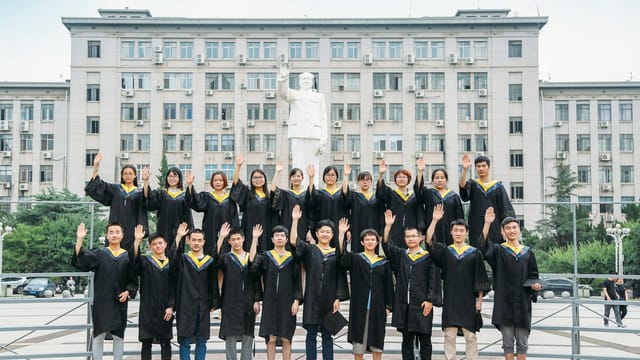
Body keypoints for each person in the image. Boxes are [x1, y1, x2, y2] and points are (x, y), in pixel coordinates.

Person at [426, 204, 490, 360]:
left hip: (469, 300)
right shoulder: (446, 251)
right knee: (449, 336)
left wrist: (479, 301)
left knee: (470, 337)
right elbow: (428, 241)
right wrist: (434, 220)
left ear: (466, 233)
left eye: (462, 230)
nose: (459, 233)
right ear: (451, 232)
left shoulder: (474, 253)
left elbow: (480, 278)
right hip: (451, 301)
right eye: (456, 230)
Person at [481, 207, 541, 360]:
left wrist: (535, 286)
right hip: (504, 303)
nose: (512, 230)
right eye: (508, 228)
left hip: (522, 302)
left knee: (522, 343)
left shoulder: (528, 252)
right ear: (503, 232)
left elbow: (534, 275)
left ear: (519, 230)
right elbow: (483, 248)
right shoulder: (498, 251)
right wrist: (487, 223)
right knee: (507, 342)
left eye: (514, 227)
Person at [290, 205, 349, 360]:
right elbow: (294, 241)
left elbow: (340, 275)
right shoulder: (310, 250)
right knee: (311, 334)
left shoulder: (336, 253)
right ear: (316, 233)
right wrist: (295, 220)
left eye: (328, 232)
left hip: (329, 298)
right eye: (322, 231)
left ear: (332, 235)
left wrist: (337, 297)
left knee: (327, 335)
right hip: (312, 297)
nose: (324, 234)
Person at [72, 223, 138, 360]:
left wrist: (128, 292)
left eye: (117, 232)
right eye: (111, 232)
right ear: (107, 235)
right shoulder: (99, 254)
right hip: (102, 301)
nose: (114, 235)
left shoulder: (127, 256)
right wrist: (80, 239)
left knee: (119, 337)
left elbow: (133, 280)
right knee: (98, 336)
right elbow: (80, 261)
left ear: (122, 235)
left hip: (120, 301)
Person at [382, 210, 438, 360]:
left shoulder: (428, 257)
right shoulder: (401, 255)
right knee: (406, 341)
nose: (411, 238)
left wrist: (430, 300)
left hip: (422, 305)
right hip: (405, 306)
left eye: (414, 236)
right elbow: (386, 245)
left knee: (425, 341)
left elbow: (433, 280)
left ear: (421, 238)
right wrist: (388, 226)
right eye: (408, 236)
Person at [338, 219, 394, 360]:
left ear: (377, 242)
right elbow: (341, 257)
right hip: (359, 306)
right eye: (366, 240)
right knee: (359, 344)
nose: (370, 242)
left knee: (377, 343)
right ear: (362, 242)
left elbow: (388, 285)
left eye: (372, 239)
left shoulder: (383, 262)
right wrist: (341, 234)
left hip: (378, 306)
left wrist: (388, 306)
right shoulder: (356, 259)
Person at [250, 224, 303, 360]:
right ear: (272, 239)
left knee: (286, 337)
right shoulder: (266, 257)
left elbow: (298, 281)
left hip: (288, 302)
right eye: (276, 236)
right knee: (271, 338)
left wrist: (296, 300)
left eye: (282, 236)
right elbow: (252, 266)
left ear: (286, 239)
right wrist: (255, 239)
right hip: (270, 301)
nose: (279, 238)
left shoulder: (292, 258)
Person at [173, 223, 220, 360]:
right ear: (188, 241)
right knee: (185, 340)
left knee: (201, 340)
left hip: (202, 306)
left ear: (204, 242)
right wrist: (178, 237)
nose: (196, 243)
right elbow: (172, 260)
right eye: (193, 240)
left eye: (199, 240)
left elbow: (213, 283)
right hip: (185, 306)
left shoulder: (208, 262)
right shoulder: (183, 259)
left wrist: (213, 301)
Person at [85, 152, 148, 252]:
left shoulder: (140, 192)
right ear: (122, 176)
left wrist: (145, 181)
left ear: (135, 175)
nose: (128, 176)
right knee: (111, 253)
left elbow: (147, 200)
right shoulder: (115, 189)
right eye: (125, 174)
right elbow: (97, 185)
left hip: (131, 231)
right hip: (115, 229)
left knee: (130, 255)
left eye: (130, 173)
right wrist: (96, 166)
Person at [216, 223, 261, 360]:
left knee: (248, 335)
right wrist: (221, 238)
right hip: (230, 302)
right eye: (233, 239)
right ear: (229, 241)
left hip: (248, 302)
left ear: (243, 239)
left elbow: (255, 275)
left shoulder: (250, 256)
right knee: (230, 337)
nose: (236, 242)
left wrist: (257, 300)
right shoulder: (226, 258)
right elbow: (215, 260)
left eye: (238, 239)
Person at [277, 64, 327, 187]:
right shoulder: (294, 95)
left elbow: (323, 118)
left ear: (312, 82)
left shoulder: (319, 97)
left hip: (314, 135)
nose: (306, 81)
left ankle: (312, 192)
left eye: (308, 79)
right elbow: (283, 93)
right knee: (297, 164)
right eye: (303, 79)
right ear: (299, 81)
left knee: (313, 166)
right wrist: (284, 77)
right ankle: (297, 191)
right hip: (297, 133)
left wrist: (323, 139)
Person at [133, 227, 175, 360]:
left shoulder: (172, 264)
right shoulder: (145, 262)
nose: (158, 246)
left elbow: (175, 287)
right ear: (150, 247)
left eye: (160, 243)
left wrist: (171, 306)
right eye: (154, 244)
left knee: (166, 342)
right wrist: (137, 242)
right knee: (146, 343)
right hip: (148, 308)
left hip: (166, 309)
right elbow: (134, 263)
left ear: (165, 244)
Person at [459, 154, 515, 247]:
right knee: (477, 250)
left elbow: (505, 207)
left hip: (495, 224)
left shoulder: (497, 186)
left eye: (484, 166)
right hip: (476, 224)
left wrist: (505, 228)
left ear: (488, 167)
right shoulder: (473, 184)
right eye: (478, 166)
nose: (481, 168)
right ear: (476, 168)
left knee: (495, 249)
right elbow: (463, 188)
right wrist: (465, 170)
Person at [231, 153, 279, 252]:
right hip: (249, 227)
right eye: (255, 178)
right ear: (251, 180)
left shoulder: (269, 196)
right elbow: (236, 183)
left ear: (265, 179)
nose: (258, 180)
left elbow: (274, 191)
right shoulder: (247, 193)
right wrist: (238, 166)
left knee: (265, 251)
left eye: (260, 177)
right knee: (249, 251)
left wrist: (277, 172)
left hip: (266, 228)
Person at [143, 167, 193, 254]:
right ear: (166, 178)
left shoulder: (184, 195)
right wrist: (146, 181)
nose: (172, 179)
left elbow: (188, 215)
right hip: (163, 229)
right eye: (170, 176)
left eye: (175, 176)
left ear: (179, 178)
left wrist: (190, 232)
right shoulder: (161, 193)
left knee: (177, 253)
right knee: (163, 252)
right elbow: (150, 200)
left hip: (179, 230)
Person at [188, 170, 240, 256]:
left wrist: (234, 233)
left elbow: (234, 218)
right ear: (212, 182)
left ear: (225, 182)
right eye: (215, 180)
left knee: (225, 256)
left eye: (220, 180)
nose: (218, 182)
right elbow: (195, 202)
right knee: (210, 254)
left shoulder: (230, 199)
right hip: (210, 232)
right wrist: (190, 185)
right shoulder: (207, 197)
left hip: (226, 233)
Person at [415, 159, 464, 246]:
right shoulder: (428, 193)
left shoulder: (453, 196)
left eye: (442, 178)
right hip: (433, 231)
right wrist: (420, 171)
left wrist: (459, 231)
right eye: (437, 178)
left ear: (446, 180)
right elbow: (418, 191)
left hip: (451, 233)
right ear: (433, 180)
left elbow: (459, 216)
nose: (439, 180)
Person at [376, 160, 423, 248]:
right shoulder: (391, 194)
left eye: (404, 177)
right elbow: (381, 192)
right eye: (399, 177)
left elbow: (420, 211)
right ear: (395, 180)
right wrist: (381, 174)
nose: (401, 179)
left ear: (408, 180)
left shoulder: (414, 196)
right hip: (395, 230)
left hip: (411, 230)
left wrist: (420, 230)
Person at [342, 164, 384, 253]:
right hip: (357, 230)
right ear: (358, 182)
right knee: (357, 254)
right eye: (362, 180)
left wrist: (381, 232)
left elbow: (381, 215)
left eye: (367, 180)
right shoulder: (354, 196)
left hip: (374, 229)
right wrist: (346, 176)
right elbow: (345, 195)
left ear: (371, 182)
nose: (365, 182)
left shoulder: (376, 198)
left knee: (373, 253)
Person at [271, 163, 315, 243]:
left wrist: (311, 178)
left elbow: (312, 206)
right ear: (290, 179)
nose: (296, 178)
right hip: (287, 226)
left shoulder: (306, 195)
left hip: (303, 227)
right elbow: (273, 190)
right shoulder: (285, 194)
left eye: (298, 176)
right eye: (293, 176)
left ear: (302, 178)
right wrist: (277, 172)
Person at [308, 166, 350, 247]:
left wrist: (346, 176)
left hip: (339, 228)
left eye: (333, 175)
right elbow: (311, 200)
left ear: (337, 177)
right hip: (323, 230)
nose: (330, 177)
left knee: (339, 250)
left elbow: (347, 210)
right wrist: (311, 178)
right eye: (327, 175)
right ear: (323, 177)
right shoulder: (320, 193)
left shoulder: (340, 194)